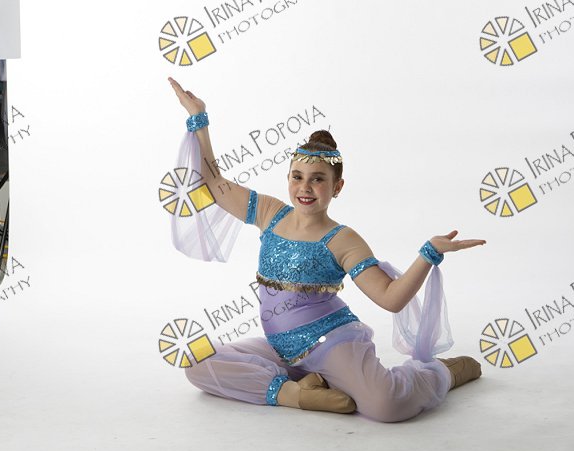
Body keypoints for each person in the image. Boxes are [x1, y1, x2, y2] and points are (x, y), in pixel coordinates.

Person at [167, 75, 485, 423]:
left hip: (330, 344)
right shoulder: (270, 213)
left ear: (337, 187)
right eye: (297, 177)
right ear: (288, 178)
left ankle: (441, 373)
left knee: (386, 406)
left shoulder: (343, 239)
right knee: (196, 362)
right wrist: (199, 119)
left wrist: (428, 254)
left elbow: (391, 298)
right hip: (281, 349)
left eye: (318, 179)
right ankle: (297, 393)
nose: (305, 187)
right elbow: (214, 184)